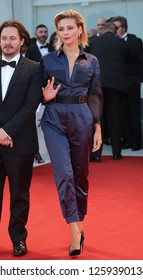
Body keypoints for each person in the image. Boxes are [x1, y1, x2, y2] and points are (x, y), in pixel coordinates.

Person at [40, 9, 103, 257]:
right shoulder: (48, 61)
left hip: (82, 119)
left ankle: (78, 222)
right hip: (54, 118)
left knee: (80, 176)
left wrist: (97, 125)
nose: (65, 33)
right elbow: (38, 92)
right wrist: (44, 98)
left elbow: (96, 95)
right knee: (64, 175)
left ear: (79, 30)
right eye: (61, 29)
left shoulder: (92, 61)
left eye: (69, 28)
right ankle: (74, 232)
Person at [0, 20, 43, 256]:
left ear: (22, 41)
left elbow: (30, 106)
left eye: (12, 38)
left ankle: (18, 239)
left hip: (21, 142)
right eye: (4, 38)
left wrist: (6, 132)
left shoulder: (34, 68)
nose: (8, 42)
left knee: (19, 194)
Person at [87, 22, 131, 161]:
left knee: (97, 118)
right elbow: (129, 60)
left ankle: (95, 154)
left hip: (96, 83)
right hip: (116, 84)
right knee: (115, 117)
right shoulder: (121, 43)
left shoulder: (93, 41)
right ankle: (117, 153)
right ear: (115, 31)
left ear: (103, 30)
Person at [111, 16, 143, 151]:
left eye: (116, 27)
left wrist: (139, 79)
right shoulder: (113, 42)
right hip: (118, 83)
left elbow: (141, 61)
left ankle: (137, 141)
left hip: (132, 82)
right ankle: (128, 139)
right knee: (122, 113)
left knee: (134, 112)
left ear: (123, 27)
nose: (113, 30)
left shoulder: (135, 41)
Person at [25, 24, 54, 164]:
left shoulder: (53, 48)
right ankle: (36, 152)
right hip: (35, 88)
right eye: (40, 32)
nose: (43, 34)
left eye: (45, 31)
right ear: (36, 34)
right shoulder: (30, 50)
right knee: (34, 120)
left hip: (51, 87)